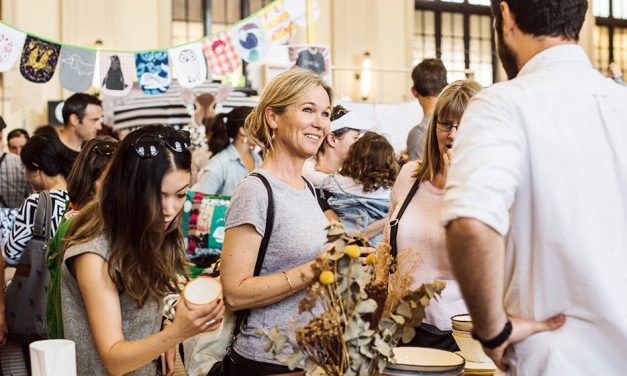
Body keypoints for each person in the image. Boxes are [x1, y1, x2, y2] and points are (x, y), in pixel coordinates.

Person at [442, 1, 627, 374]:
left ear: (506, 17)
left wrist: (492, 331)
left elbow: (470, 225)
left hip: (554, 359)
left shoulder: (503, 104)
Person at [59, 125, 224, 375]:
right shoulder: (93, 252)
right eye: (158, 195)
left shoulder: (147, 227)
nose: (169, 208)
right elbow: (113, 359)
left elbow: (138, 309)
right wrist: (175, 333)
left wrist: (163, 324)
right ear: (128, 187)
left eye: (180, 195)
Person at [220, 68, 332, 375]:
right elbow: (234, 292)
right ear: (273, 117)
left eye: (325, 113)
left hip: (311, 357)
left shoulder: (307, 187)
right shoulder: (255, 190)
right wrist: (317, 270)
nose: (319, 123)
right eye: (308, 110)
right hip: (268, 361)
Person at [383, 80, 481, 351]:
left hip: (462, 334)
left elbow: (476, 262)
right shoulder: (410, 175)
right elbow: (387, 245)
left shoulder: (487, 189)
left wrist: (456, 188)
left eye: (464, 126)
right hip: (402, 328)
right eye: (446, 124)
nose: (452, 134)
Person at [1, 134, 72, 352]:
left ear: (36, 168)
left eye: (25, 168)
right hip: (70, 310)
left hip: (40, 308)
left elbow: (10, 254)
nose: (24, 174)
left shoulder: (36, 202)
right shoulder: (79, 198)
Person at [45, 136, 118, 340]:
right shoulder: (84, 227)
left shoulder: (75, 215)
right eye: (112, 178)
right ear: (91, 181)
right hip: (84, 344)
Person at [321, 131, 398, 246]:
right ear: (332, 139)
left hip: (352, 251)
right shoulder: (388, 188)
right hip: (369, 248)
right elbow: (349, 239)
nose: (355, 143)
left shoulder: (339, 183)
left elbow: (348, 237)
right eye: (355, 137)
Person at [192, 106, 262, 196]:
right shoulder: (218, 164)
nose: (262, 130)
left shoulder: (257, 159)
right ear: (243, 130)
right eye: (257, 125)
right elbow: (198, 201)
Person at [406, 59, 448, 162]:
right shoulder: (457, 125)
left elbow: (418, 176)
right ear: (446, 86)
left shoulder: (418, 134)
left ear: (414, 92)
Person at [58, 93, 103, 164]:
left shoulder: (91, 156)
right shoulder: (46, 152)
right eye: (94, 120)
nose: (99, 127)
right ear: (75, 120)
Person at [0, 118, 31, 210]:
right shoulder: (19, 163)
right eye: (14, 148)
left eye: (23, 147)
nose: (19, 152)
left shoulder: (30, 166)